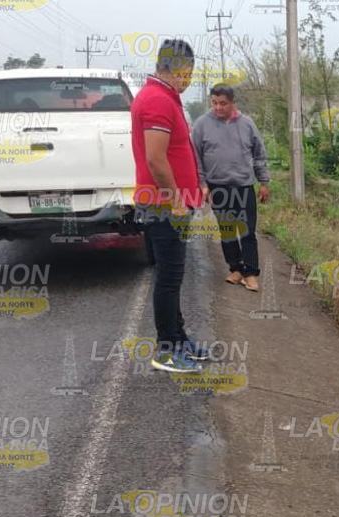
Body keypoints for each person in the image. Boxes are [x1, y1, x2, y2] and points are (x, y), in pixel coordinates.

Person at [130, 39, 207, 374]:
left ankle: (178, 337)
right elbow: (155, 158)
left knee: (173, 275)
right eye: (188, 72)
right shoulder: (158, 101)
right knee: (169, 277)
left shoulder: (164, 98)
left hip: (170, 205)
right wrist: (176, 201)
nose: (189, 79)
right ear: (178, 68)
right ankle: (165, 350)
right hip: (165, 207)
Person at [191, 85, 270, 292]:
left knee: (247, 231)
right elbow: (196, 157)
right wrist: (203, 184)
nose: (218, 108)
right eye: (215, 103)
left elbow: (259, 154)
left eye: (223, 103)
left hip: (244, 186)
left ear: (233, 103)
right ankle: (235, 269)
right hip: (218, 187)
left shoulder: (247, 124)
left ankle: (251, 273)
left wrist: (264, 182)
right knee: (227, 231)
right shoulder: (202, 125)